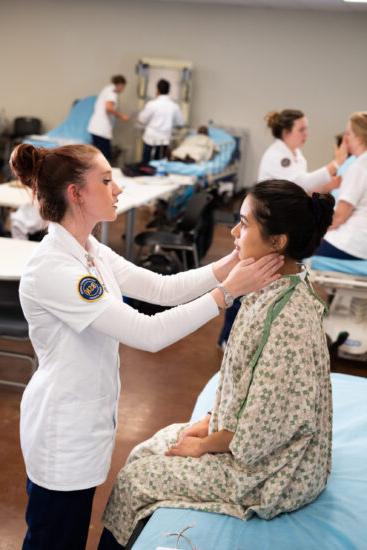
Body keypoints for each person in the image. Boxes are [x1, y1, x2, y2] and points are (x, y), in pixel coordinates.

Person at [9, 143, 283, 550]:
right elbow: (147, 333)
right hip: (61, 431)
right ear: (75, 193)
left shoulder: (89, 250)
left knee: (65, 534)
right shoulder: (55, 268)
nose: (117, 188)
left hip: (84, 423)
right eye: (105, 180)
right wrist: (226, 293)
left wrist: (229, 263)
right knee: (52, 539)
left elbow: (161, 288)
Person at [100, 180, 334, 550]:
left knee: (135, 480)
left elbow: (266, 429)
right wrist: (209, 422)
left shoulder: (289, 320)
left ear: (278, 242)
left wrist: (206, 445)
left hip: (273, 473)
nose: (234, 232)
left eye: (244, 223)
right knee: (145, 450)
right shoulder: (270, 291)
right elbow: (244, 382)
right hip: (243, 440)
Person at [315, 111, 367, 260]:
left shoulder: (359, 167)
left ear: (359, 137)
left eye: (348, 133)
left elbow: (339, 218)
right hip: (360, 243)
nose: (345, 138)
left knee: (296, 251)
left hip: (351, 243)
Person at [258, 109, 347, 193]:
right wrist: (336, 163)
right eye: (301, 130)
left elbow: (303, 190)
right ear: (285, 132)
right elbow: (302, 183)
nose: (306, 134)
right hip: (268, 207)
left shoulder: (296, 153)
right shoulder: (277, 155)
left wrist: (328, 186)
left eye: (306, 129)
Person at [138, 79, 184, 164]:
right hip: (164, 139)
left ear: (157, 90)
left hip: (150, 138)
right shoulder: (174, 106)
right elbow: (180, 123)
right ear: (168, 91)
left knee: (145, 164)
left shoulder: (152, 104)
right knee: (160, 164)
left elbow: (141, 120)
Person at [88, 75, 129, 162]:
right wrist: (122, 116)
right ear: (120, 85)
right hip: (101, 130)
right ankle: (102, 175)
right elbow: (109, 108)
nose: (123, 89)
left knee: (97, 157)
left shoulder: (107, 89)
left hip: (95, 128)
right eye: (123, 87)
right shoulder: (112, 92)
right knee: (103, 158)